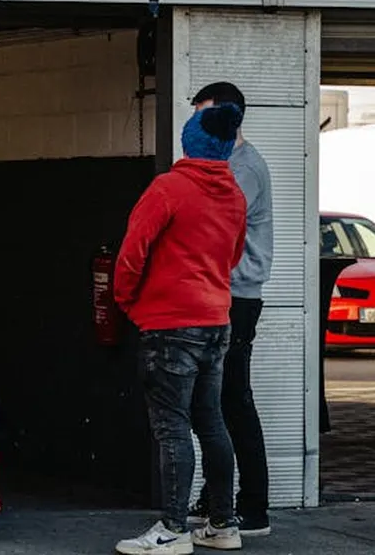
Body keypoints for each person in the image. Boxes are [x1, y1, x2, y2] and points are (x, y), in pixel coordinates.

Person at [113, 104, 248, 555]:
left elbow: (132, 250)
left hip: (170, 323)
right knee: (211, 421)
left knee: (172, 427)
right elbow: (232, 256)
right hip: (216, 320)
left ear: (190, 140)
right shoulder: (233, 195)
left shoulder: (169, 188)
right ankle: (223, 524)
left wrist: (127, 300)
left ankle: (173, 529)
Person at [188, 82, 274, 538]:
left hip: (236, 295)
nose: (197, 122)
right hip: (226, 291)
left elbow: (218, 228)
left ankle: (254, 507)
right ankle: (217, 498)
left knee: (234, 399)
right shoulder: (229, 163)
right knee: (217, 400)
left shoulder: (244, 169)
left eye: (203, 112)